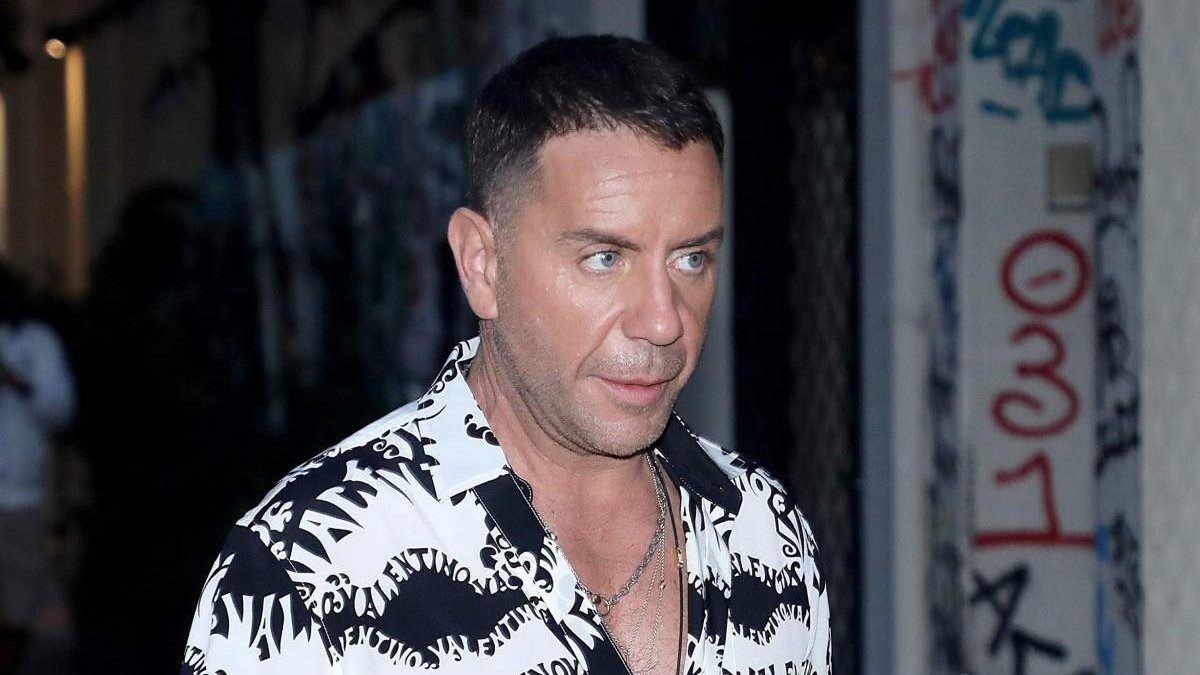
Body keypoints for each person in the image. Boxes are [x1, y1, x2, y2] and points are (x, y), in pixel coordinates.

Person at [181, 35, 830, 674]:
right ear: (481, 264)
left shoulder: (766, 530)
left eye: (691, 259)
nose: (663, 322)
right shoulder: (309, 569)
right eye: (604, 258)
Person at [0, 263, 75, 674]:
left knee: (19, 597)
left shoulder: (37, 342)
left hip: (20, 495)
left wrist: (17, 381)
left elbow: (59, 409)